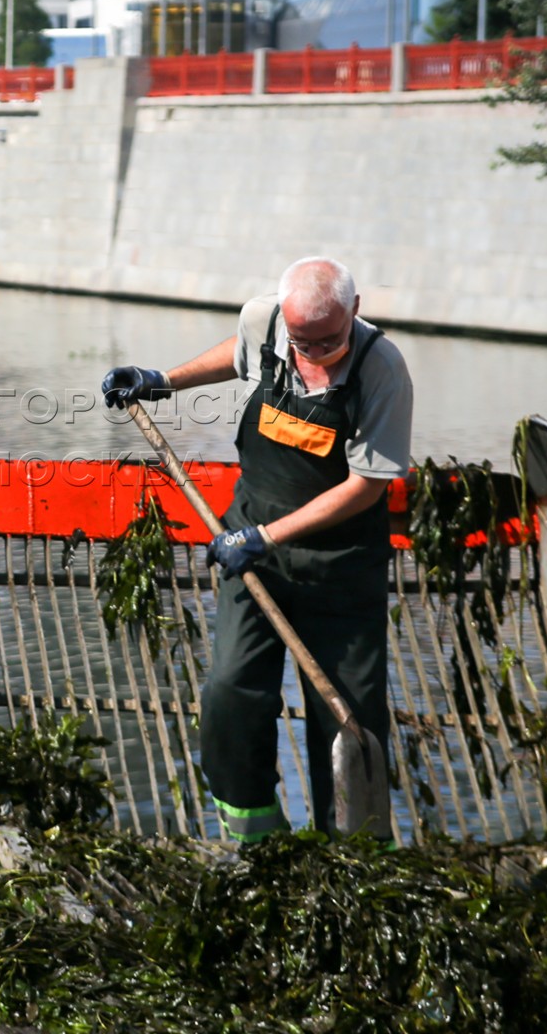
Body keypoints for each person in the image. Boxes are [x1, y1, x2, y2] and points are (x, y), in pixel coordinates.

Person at [101, 257, 412, 842]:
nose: (315, 354)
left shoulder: (382, 370)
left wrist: (264, 538)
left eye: (329, 340)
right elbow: (236, 353)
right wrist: (160, 380)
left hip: (339, 567)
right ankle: (256, 838)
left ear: (356, 311)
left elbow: (367, 486)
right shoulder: (264, 322)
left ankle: (353, 855)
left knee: (349, 715)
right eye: (303, 341)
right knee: (230, 691)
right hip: (254, 550)